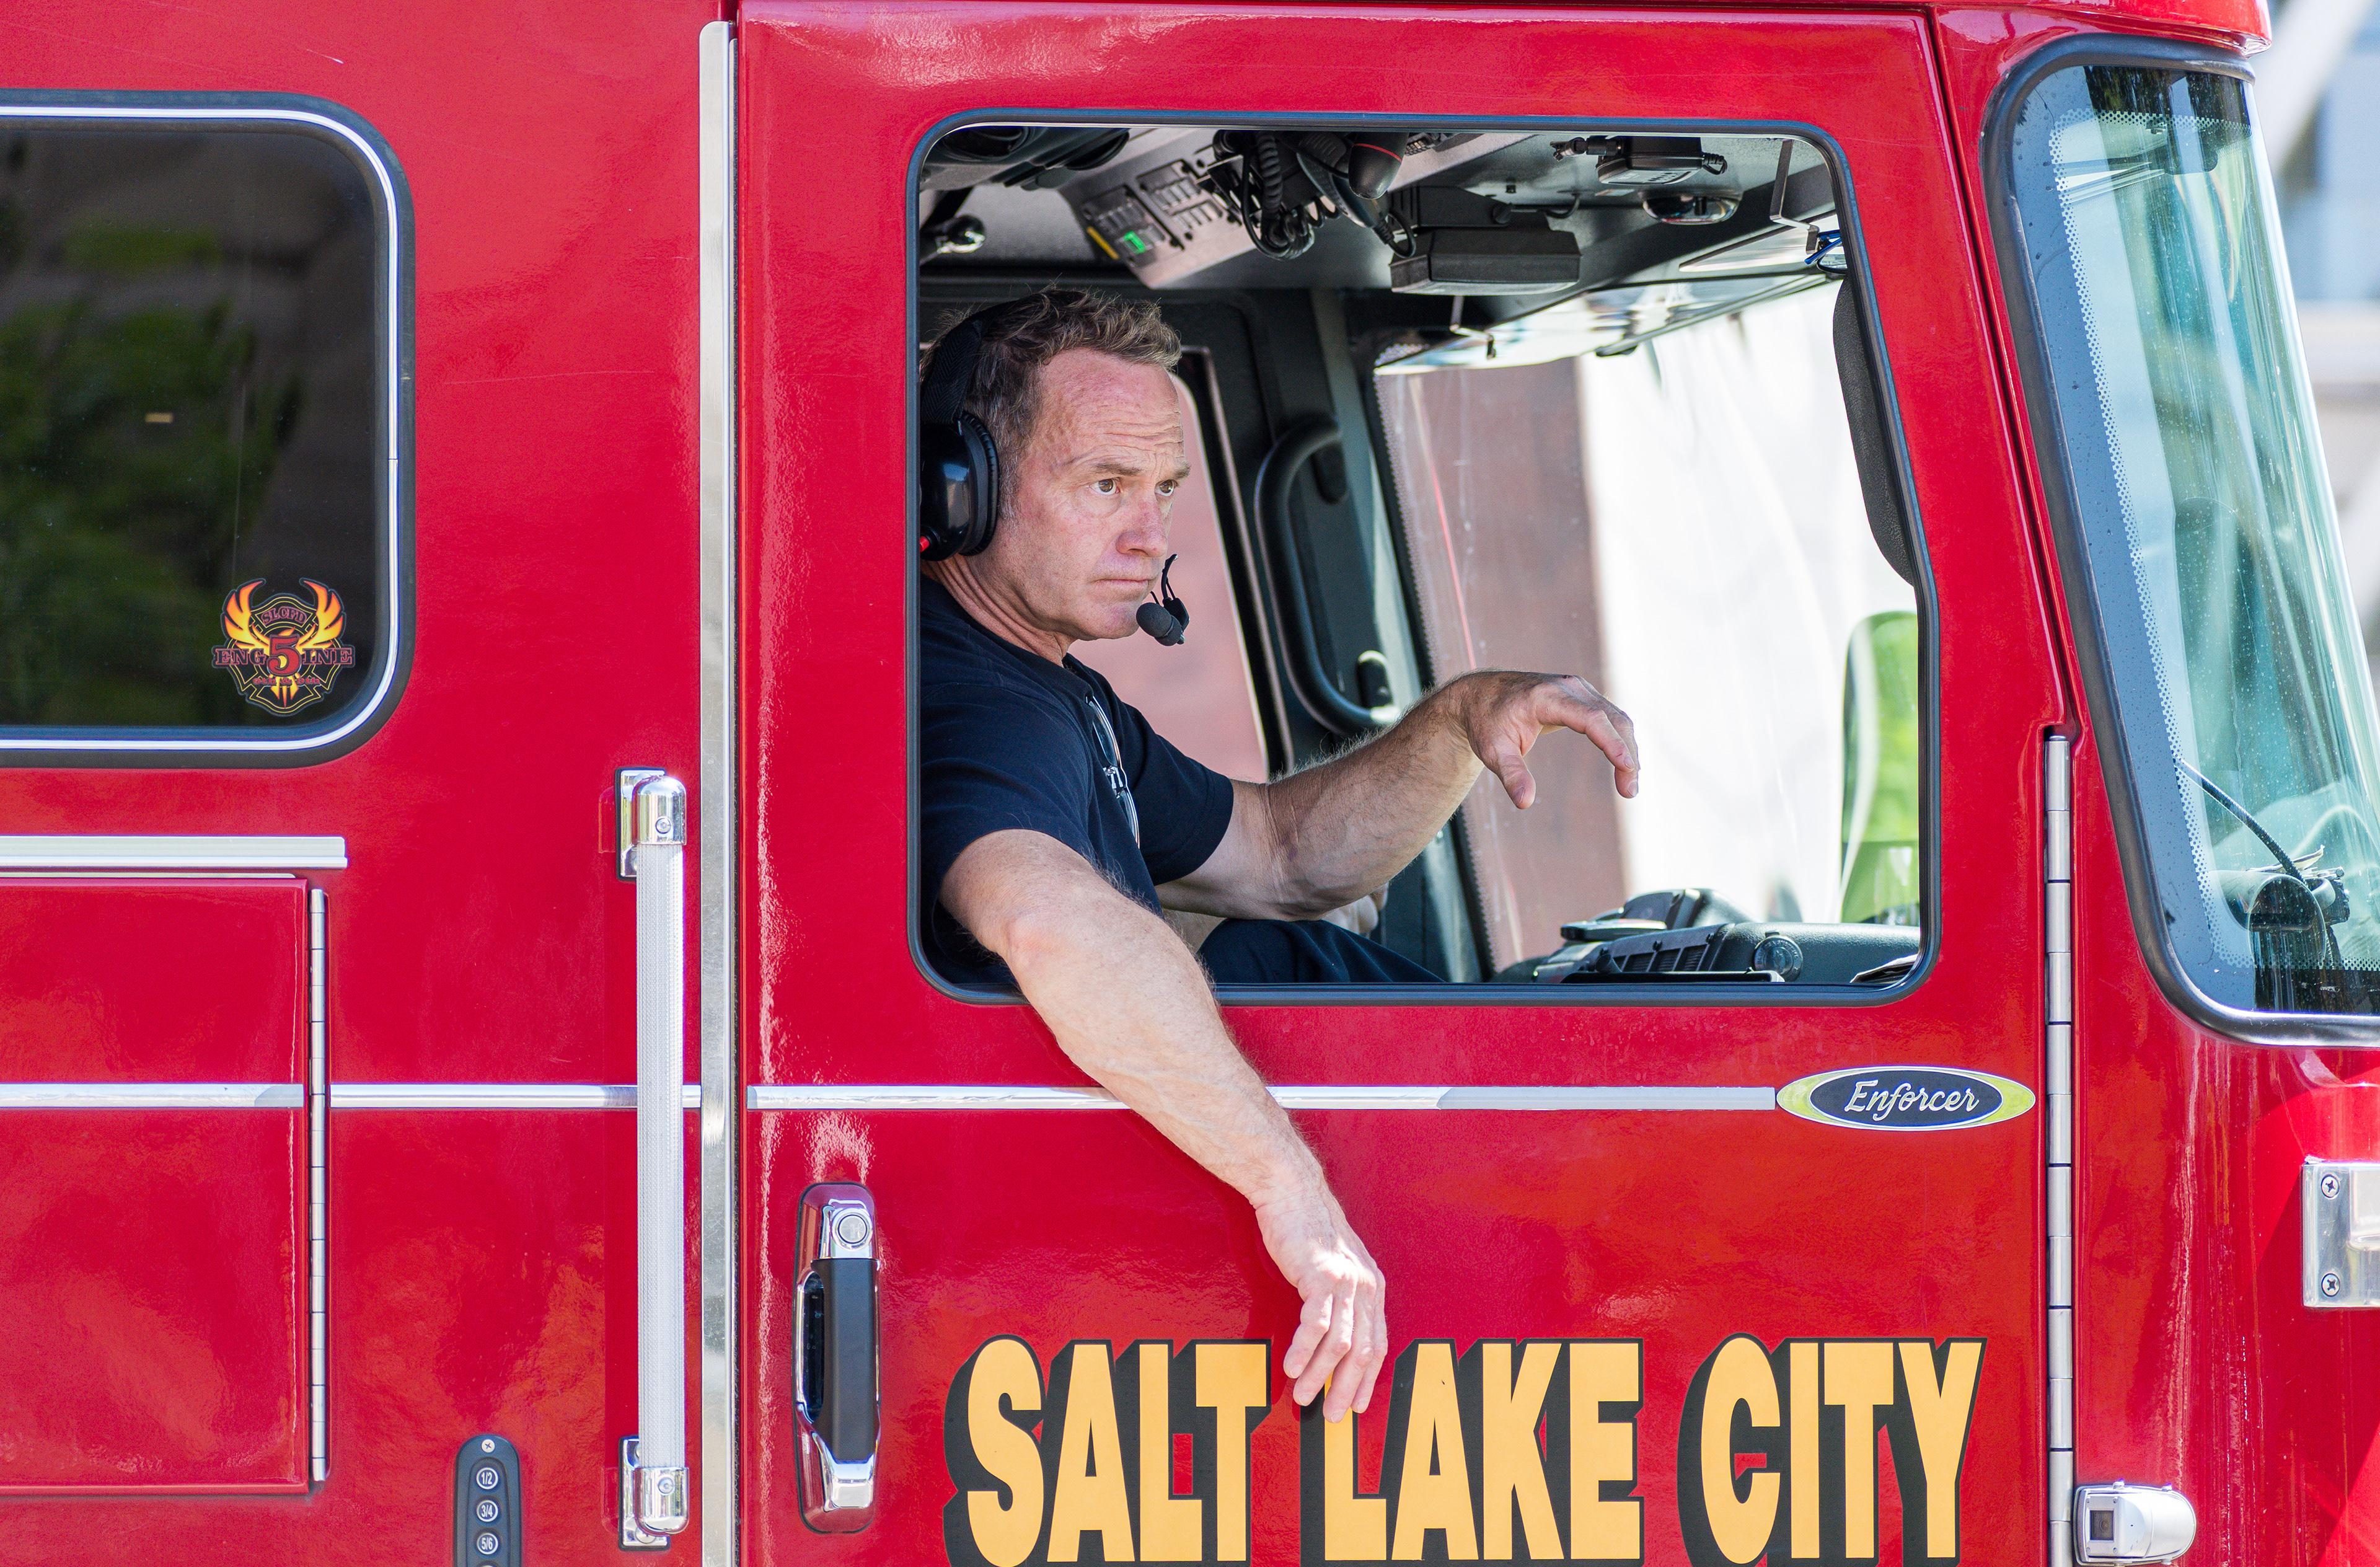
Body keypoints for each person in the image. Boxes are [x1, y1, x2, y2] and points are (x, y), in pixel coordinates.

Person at [919, 289, 1639, 1423]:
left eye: (1162, 491)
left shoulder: (1060, 694)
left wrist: (1458, 722)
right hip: (1020, 1271)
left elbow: (1283, 855)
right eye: (1107, 485)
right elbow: (1047, 916)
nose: (1152, 535)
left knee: (1277, 944)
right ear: (962, 490)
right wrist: (1292, 1188)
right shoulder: (969, 702)